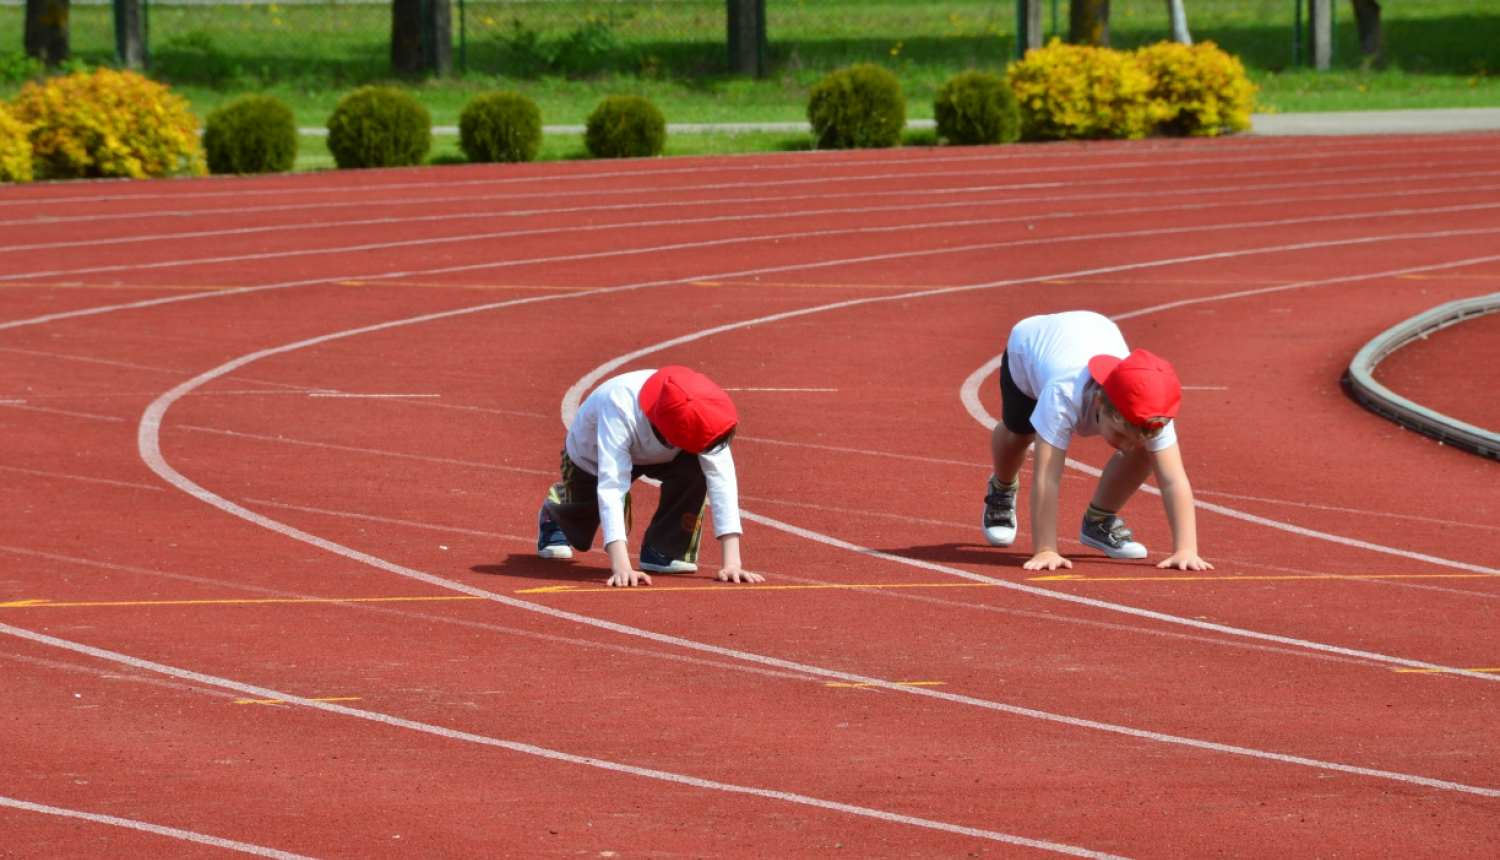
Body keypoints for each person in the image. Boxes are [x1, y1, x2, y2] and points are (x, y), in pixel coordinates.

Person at [982, 311, 1212, 572]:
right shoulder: (1063, 394)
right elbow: (1047, 477)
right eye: (1120, 434)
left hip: (1096, 329)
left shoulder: (1154, 407)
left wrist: (1186, 549)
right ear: (1100, 403)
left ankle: (1098, 520)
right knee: (1019, 435)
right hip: (1028, 351)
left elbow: (1174, 479)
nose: (1124, 445)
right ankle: (1002, 487)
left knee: (1146, 450)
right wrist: (1046, 549)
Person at [536, 366, 763, 588]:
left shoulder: (702, 408)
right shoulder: (618, 405)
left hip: (664, 449)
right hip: (593, 454)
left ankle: (662, 549)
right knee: (581, 519)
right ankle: (556, 511)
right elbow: (612, 485)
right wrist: (621, 567)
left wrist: (732, 563)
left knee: (696, 469)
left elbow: (721, 477)